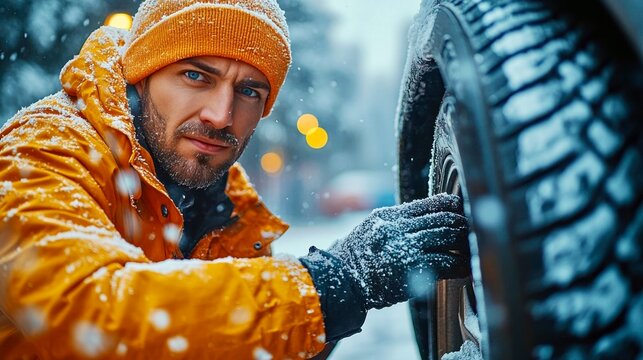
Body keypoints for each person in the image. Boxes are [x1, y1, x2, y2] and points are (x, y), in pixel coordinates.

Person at [0, 0, 469, 358]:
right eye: (195, 76)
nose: (222, 115)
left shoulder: (228, 214)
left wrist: (343, 302)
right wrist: (333, 284)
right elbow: (89, 313)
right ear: (141, 75)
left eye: (249, 91)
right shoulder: (44, 147)